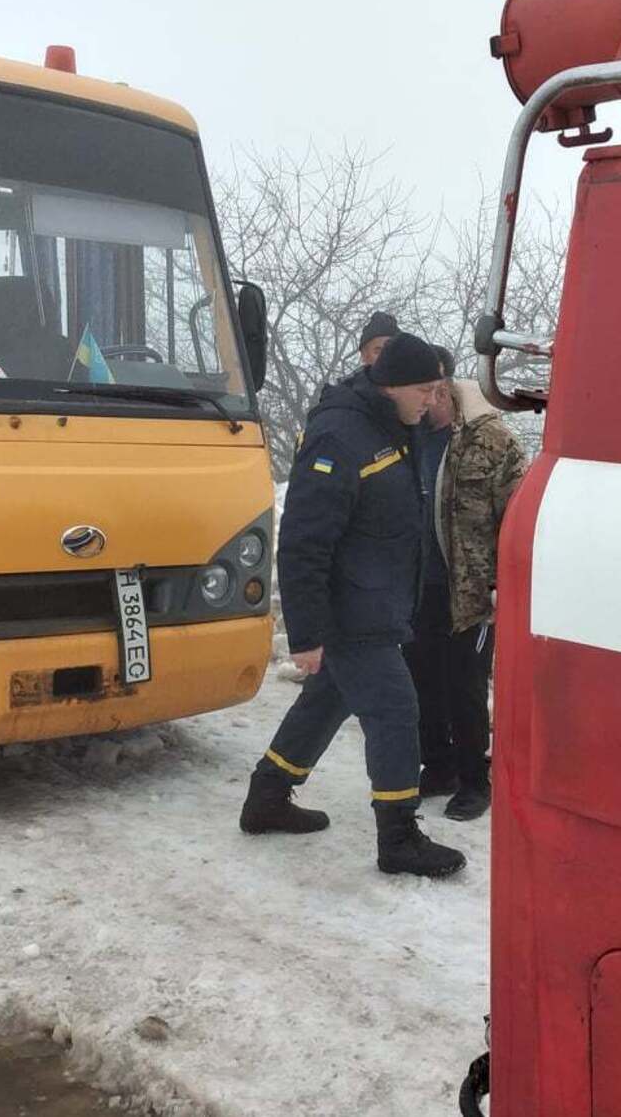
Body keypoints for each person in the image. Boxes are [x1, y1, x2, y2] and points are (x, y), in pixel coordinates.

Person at [240, 332, 467, 878]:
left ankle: (267, 797)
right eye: (426, 390)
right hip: (350, 612)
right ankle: (399, 838)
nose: (432, 400)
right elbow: (303, 541)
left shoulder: (393, 427)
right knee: (395, 711)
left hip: (376, 602)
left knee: (325, 702)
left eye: (439, 390)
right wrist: (308, 633)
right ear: (392, 386)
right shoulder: (340, 436)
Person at [404, 354, 528, 820]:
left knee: (466, 688)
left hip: (472, 591)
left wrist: (503, 582)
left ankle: (476, 782)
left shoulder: (491, 440)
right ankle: (438, 767)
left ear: (446, 385)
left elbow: (518, 516)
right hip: (418, 588)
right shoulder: (407, 435)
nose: (428, 398)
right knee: (422, 683)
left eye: (433, 387)